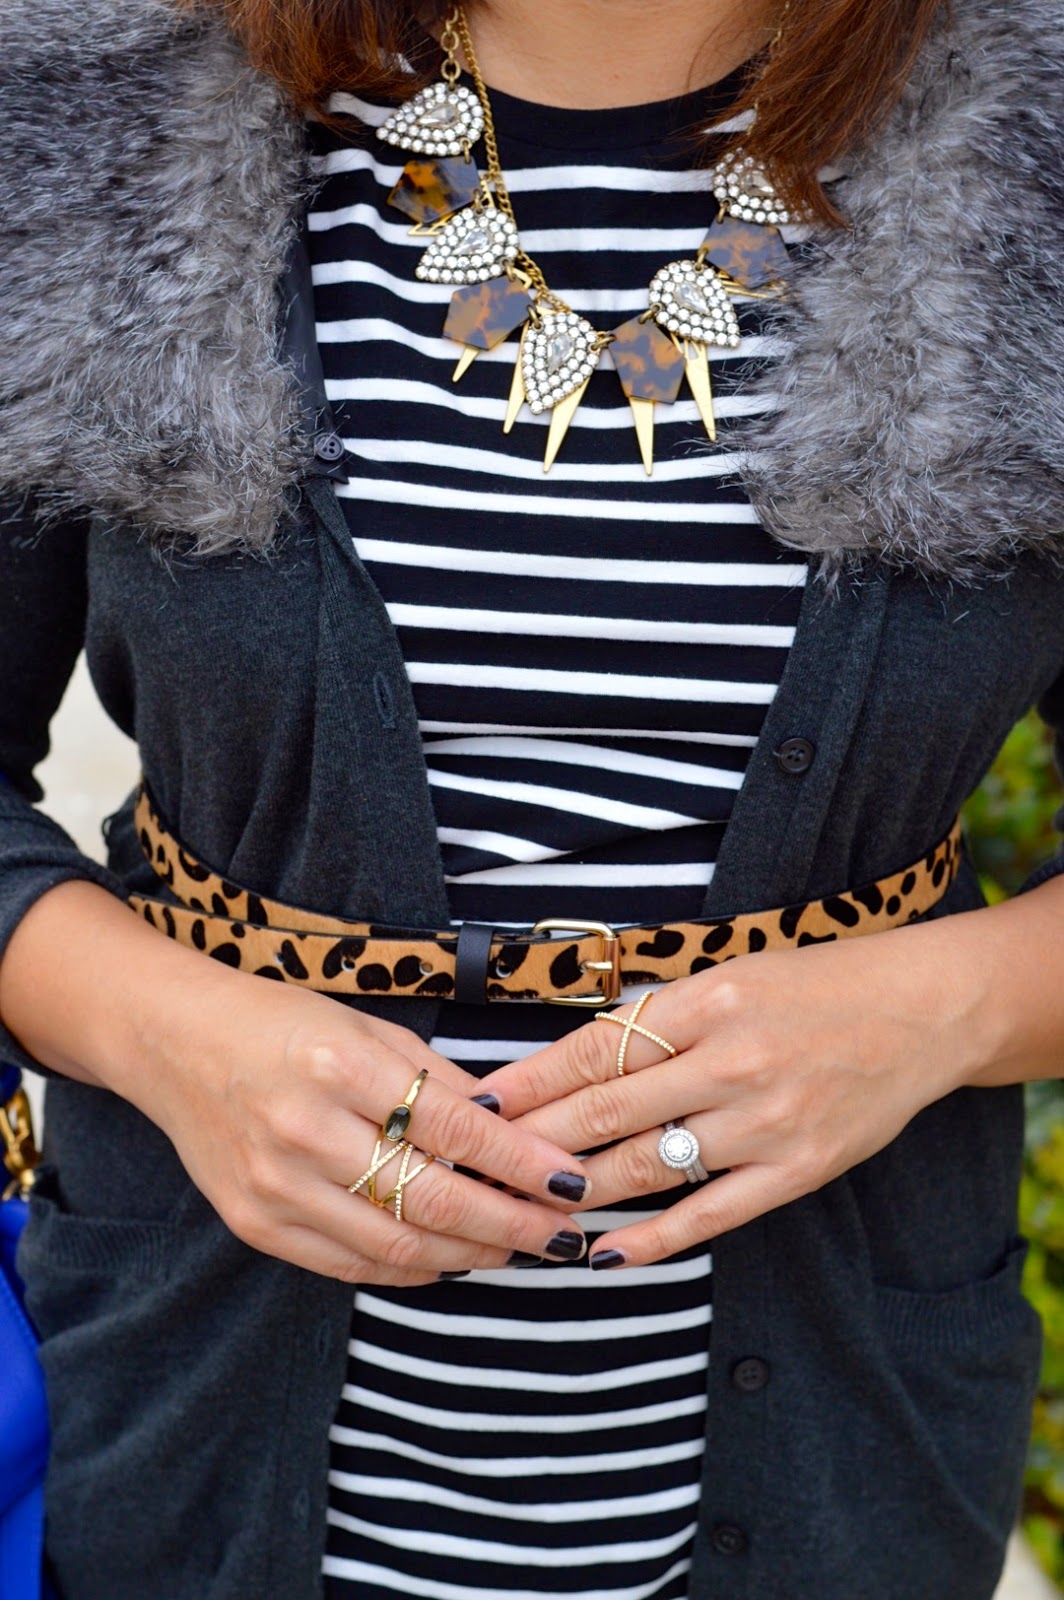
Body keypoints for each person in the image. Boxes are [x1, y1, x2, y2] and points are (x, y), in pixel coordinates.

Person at [1, 0, 1062, 1595]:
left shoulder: (1034, 142)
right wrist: (166, 1036)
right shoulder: (88, 116)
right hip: (176, 1446)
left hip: (849, 1477)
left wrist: (946, 1010)